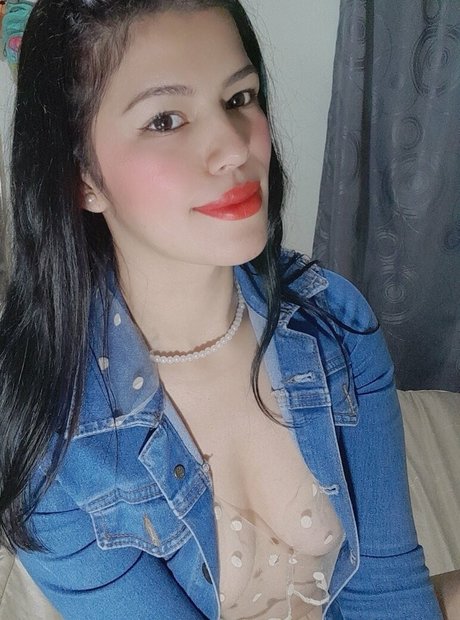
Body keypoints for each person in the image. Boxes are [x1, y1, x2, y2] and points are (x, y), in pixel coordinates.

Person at [0, 1, 442, 618]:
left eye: (239, 98)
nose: (234, 148)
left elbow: (387, 589)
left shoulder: (333, 321)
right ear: (81, 177)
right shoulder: (47, 430)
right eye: (165, 120)